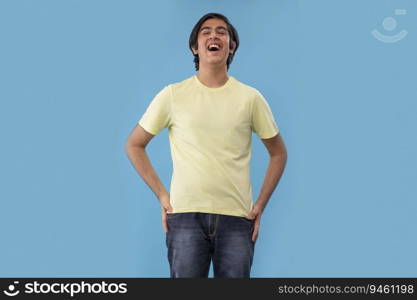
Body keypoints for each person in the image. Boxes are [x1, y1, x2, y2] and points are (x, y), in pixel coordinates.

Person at [125, 12, 287, 278]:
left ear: (231, 46)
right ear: (195, 46)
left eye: (222, 32)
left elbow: (278, 153)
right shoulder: (173, 95)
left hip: (237, 219)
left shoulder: (250, 98)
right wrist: (163, 196)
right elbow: (134, 145)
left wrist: (260, 206)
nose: (214, 35)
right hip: (185, 216)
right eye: (206, 31)